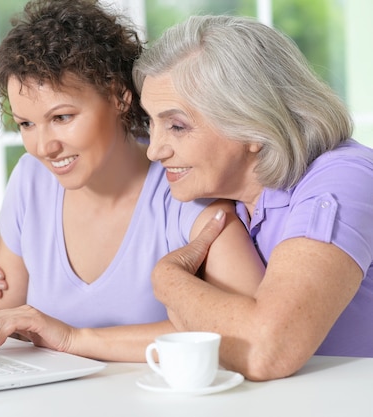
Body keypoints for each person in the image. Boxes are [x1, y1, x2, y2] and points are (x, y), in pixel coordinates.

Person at [0, 1, 263, 362]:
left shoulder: (187, 190)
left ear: (119, 96)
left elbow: (244, 333)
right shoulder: (30, 180)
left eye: (62, 117)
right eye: (26, 124)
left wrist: (73, 339)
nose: (44, 146)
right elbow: (5, 307)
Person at [130, 14, 373, 381]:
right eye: (152, 122)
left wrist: (168, 279)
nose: (155, 150)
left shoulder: (343, 178)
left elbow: (266, 352)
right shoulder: (225, 200)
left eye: (177, 126)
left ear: (252, 124)